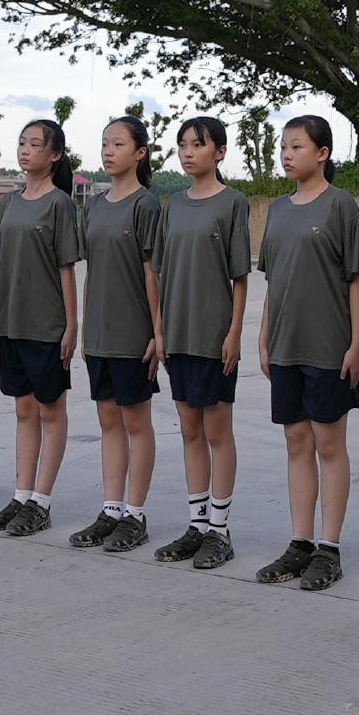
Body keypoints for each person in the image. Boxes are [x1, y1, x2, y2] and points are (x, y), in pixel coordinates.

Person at [254, 114, 359, 592]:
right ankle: (300, 543)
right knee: (296, 442)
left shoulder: (341, 207)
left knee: (329, 445)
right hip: (285, 345)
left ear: (322, 153)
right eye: (283, 147)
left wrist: (357, 343)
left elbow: (356, 280)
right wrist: (262, 336)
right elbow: (271, 280)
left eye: (296, 147)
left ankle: (330, 547)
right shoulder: (278, 210)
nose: (286, 154)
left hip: (328, 346)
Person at [152, 116, 251, 570]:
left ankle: (220, 529)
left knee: (216, 430)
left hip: (214, 335)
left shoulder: (232, 204)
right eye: (182, 144)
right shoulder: (170, 205)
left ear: (220, 153)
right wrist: (159, 329)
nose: (188, 152)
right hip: (178, 333)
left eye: (198, 144)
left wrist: (233, 332)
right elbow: (158, 271)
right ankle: (196, 524)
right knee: (189, 429)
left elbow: (239, 277)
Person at [0, 119, 84, 538]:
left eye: (35, 144)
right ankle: (21, 495)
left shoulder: (60, 204)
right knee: (23, 410)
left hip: (48, 324)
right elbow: (7, 264)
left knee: (50, 411)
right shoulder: (9, 203)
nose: (25, 150)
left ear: (54, 155)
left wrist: (71, 325)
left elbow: (66, 269)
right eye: (22, 143)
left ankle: (41, 500)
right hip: (13, 321)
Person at [70, 115, 166, 554]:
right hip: (100, 334)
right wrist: (86, 329)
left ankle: (135, 513)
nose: (109, 151)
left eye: (119, 144)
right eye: (105, 143)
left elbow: (153, 274)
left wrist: (157, 331)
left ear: (139, 154)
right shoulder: (94, 205)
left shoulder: (146, 205)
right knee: (108, 421)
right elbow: (91, 273)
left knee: (135, 422)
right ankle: (111, 509)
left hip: (133, 335)